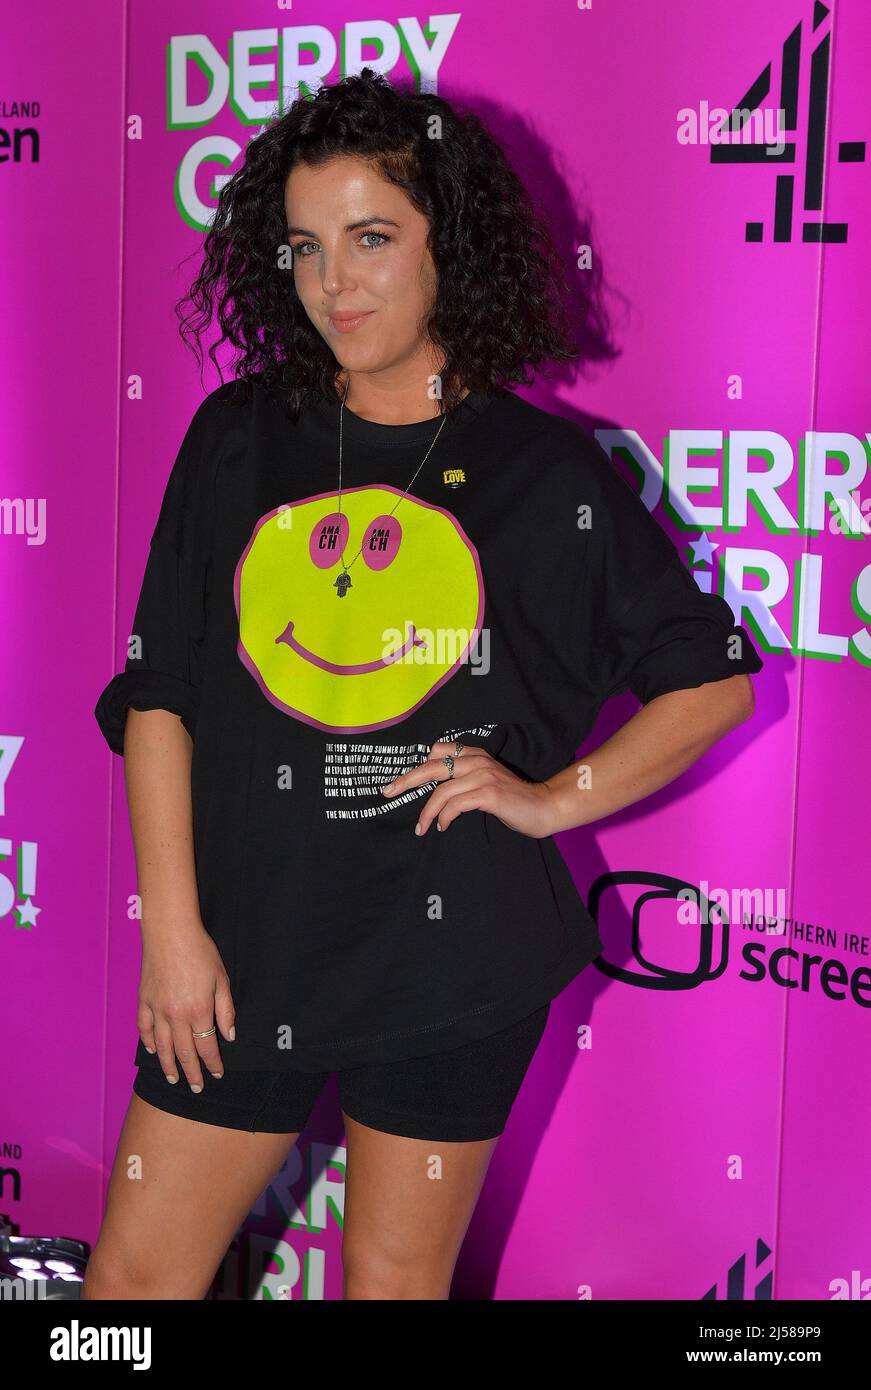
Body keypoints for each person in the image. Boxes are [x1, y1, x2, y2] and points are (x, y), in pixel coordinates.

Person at [84, 69, 763, 1301]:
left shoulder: (543, 474)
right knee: (130, 1287)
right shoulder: (239, 436)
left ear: (448, 241)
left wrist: (555, 800)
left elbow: (710, 679)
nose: (333, 282)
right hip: (239, 953)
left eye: (372, 238)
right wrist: (171, 932)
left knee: (395, 1285)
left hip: (454, 970)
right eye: (305, 247)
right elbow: (161, 693)